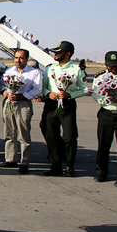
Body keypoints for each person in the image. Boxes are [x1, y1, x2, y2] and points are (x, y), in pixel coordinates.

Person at [41, 41, 87, 177]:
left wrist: (70, 94)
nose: (55, 54)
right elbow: (43, 87)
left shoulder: (77, 69)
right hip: (51, 104)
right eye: (54, 52)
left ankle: (69, 165)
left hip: (67, 104)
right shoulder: (49, 68)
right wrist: (49, 93)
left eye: (58, 52)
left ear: (68, 54)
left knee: (69, 137)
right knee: (51, 136)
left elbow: (84, 89)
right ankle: (55, 166)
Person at [0, 49, 43, 174]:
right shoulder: (9, 71)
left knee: (23, 134)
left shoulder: (34, 73)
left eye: (21, 58)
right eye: (16, 58)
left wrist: (21, 96)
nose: (18, 60)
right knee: (9, 132)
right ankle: (10, 159)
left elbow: (37, 90)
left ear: (27, 59)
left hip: (23, 104)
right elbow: (2, 84)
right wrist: (5, 92)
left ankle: (24, 161)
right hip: (9, 103)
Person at [92, 51, 117, 186]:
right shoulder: (101, 77)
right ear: (106, 65)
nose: (114, 68)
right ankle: (101, 172)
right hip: (106, 113)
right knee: (104, 144)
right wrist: (107, 99)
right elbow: (95, 93)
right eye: (111, 65)